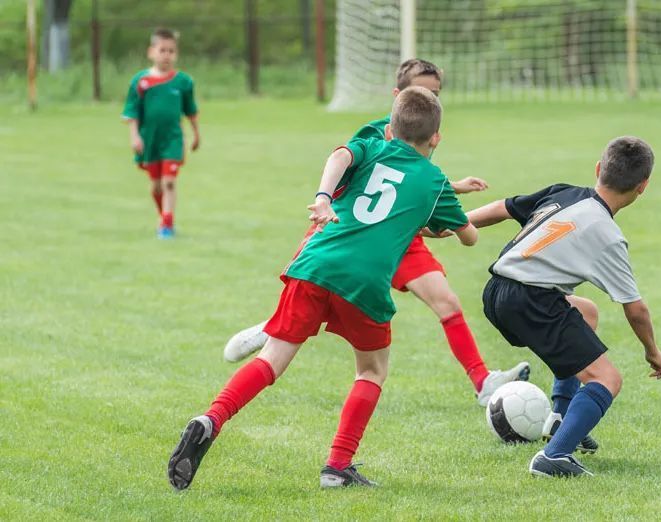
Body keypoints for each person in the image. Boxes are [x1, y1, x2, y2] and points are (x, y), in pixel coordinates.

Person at [167, 87, 478, 490]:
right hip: (363, 283)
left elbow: (339, 156)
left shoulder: (371, 145)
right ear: (436, 138)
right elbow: (467, 236)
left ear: (390, 128)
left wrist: (323, 197)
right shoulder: (436, 181)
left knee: (272, 358)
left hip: (315, 262)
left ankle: (211, 418)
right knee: (371, 369)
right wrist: (441, 224)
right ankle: (337, 466)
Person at [223, 59, 528, 405]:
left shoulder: (423, 129)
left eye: (436, 93)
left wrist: (455, 187)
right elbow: (353, 173)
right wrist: (322, 205)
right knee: (346, 328)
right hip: (359, 235)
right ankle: (272, 329)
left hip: (401, 236)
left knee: (447, 302)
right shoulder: (376, 133)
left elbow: (416, 185)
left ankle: (482, 381)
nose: (431, 99)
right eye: (422, 92)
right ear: (398, 95)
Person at [466, 136, 661, 477]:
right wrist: (653, 352)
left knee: (585, 312)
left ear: (598, 169)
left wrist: (456, 222)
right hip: (529, 301)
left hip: (496, 292)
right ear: (642, 186)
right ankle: (553, 457)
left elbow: (503, 207)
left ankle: (561, 416)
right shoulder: (607, 235)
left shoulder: (564, 192)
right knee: (607, 379)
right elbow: (636, 310)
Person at [121, 28, 200, 239]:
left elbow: (190, 110)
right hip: (150, 140)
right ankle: (163, 215)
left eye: (171, 51)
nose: (166, 55)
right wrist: (135, 136)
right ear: (151, 52)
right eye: (162, 50)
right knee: (156, 185)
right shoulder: (141, 81)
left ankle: (167, 222)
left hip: (173, 138)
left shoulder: (183, 82)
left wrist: (196, 134)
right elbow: (132, 111)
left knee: (169, 181)